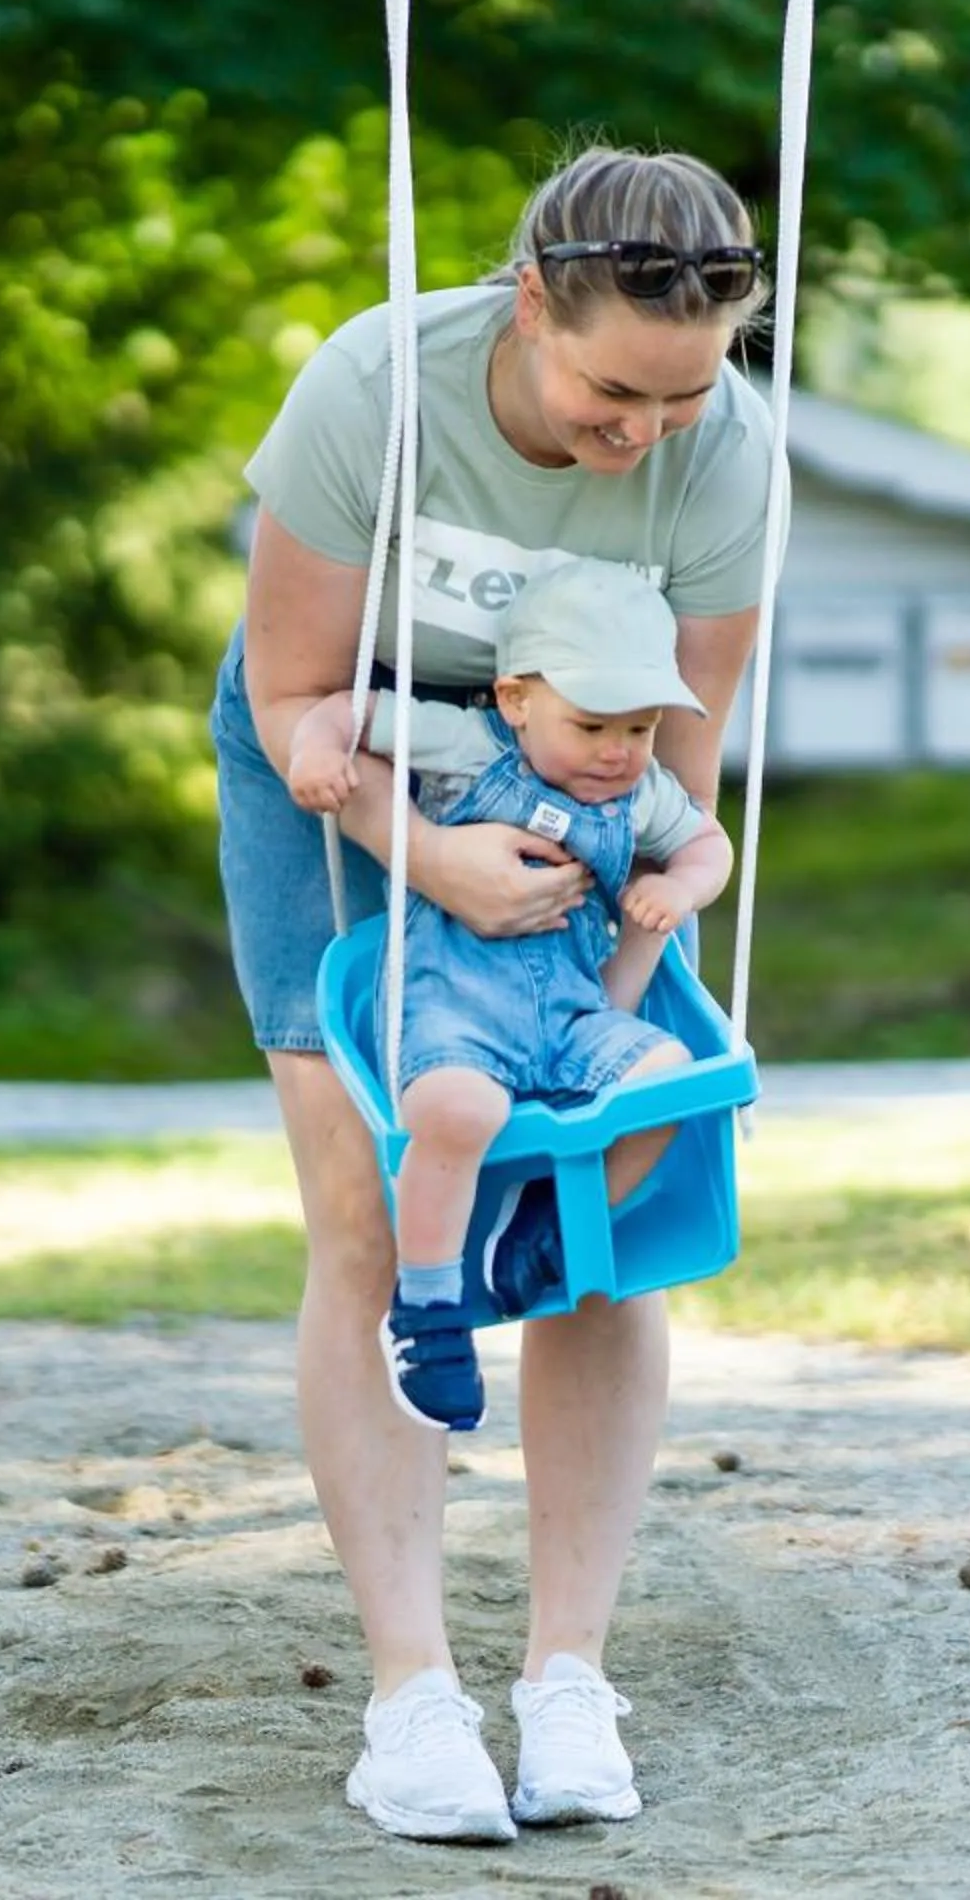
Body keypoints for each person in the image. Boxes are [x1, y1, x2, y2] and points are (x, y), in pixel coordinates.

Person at [210, 143, 773, 1843]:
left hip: (590, 814)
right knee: (375, 1218)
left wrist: (627, 939)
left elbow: (681, 753)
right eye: (615, 389)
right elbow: (292, 685)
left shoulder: (726, 457)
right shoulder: (377, 386)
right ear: (532, 305)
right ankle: (412, 1700)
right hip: (350, 775)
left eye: (681, 399)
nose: (642, 434)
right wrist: (432, 855)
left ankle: (567, 1681)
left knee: (605, 1211)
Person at [283, 559, 738, 1436]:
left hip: (573, 1015)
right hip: (453, 1010)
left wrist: (680, 891)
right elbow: (347, 711)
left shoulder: (639, 794)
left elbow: (707, 842)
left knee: (668, 1080)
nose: (617, 750)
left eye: (640, 728)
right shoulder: (466, 744)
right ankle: (429, 1307)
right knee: (456, 1112)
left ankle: (550, 1227)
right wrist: (314, 750)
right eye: (593, 723)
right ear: (517, 700)